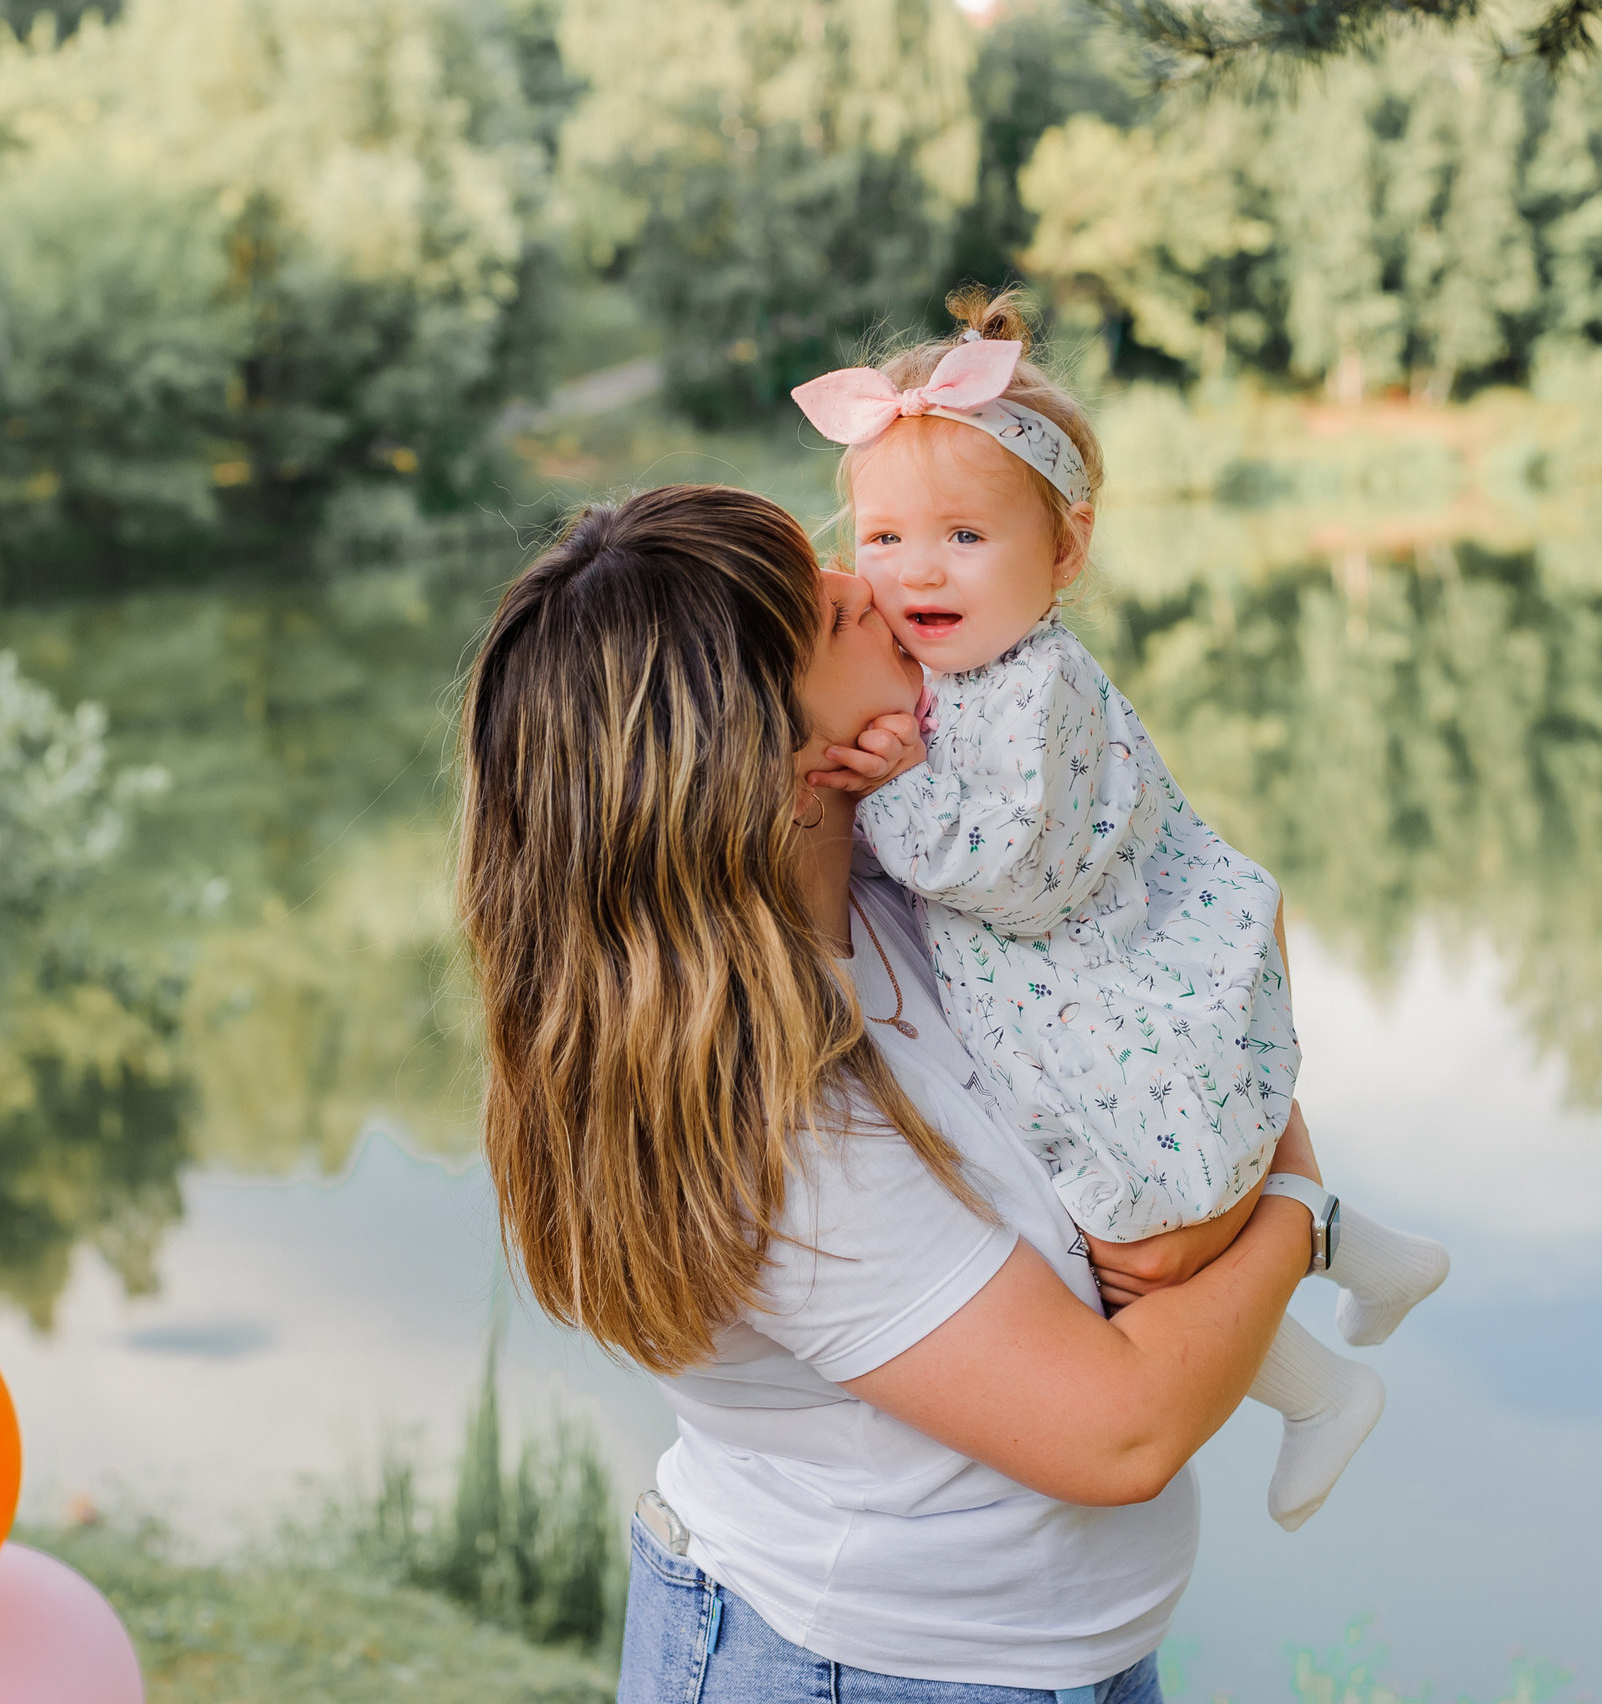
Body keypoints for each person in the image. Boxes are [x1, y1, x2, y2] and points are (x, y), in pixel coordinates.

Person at [458, 482, 1338, 1702]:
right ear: (773, 758)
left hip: (1036, 1662)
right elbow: (1121, 1428)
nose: (872, 589)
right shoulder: (776, 1125)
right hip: (859, 1673)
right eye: (826, 616)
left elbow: (1206, 965)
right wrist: (1300, 1204)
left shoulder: (906, 902)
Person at [790, 287, 1449, 1530]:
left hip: (1104, 981)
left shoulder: (1035, 692)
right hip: (1068, 993)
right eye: (879, 541)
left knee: (1134, 1237)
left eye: (962, 539)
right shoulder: (951, 678)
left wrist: (888, 793)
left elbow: (1009, 867)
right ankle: (1353, 1285)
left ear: (1066, 554)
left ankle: (1327, 1361)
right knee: (1136, 1240)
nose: (909, 573)